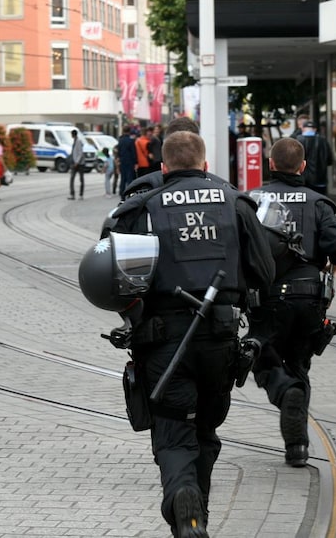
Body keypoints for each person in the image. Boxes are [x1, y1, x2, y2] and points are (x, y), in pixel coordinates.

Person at [105, 131, 274, 538]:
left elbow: (108, 275)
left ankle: (183, 496)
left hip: (162, 342)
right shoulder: (235, 203)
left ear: (162, 168)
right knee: (205, 432)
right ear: (205, 164)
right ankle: (196, 514)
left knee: (173, 433)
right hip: (220, 339)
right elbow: (265, 273)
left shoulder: (139, 208)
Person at [246, 137, 336, 467]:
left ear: (270, 164)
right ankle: (297, 446)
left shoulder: (252, 201)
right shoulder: (319, 203)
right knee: (299, 366)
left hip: (268, 298)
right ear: (303, 166)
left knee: (265, 362)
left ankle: (282, 389)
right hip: (309, 298)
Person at [297, 121, 334, 194]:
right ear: (315, 129)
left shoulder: (298, 140)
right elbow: (329, 160)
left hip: (303, 180)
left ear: (303, 129)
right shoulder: (323, 141)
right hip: (320, 180)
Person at [116, 125, 137, 196]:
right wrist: (136, 162)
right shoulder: (131, 141)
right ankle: (129, 193)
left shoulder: (120, 141)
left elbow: (118, 152)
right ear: (129, 132)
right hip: (130, 161)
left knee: (123, 178)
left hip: (122, 161)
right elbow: (133, 152)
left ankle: (121, 192)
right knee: (129, 178)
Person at [67, 129, 85, 200]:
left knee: (81, 179)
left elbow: (80, 153)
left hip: (79, 164)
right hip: (74, 163)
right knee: (72, 178)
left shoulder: (78, 141)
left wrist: (77, 162)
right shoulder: (75, 141)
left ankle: (81, 195)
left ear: (73, 135)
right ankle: (72, 194)